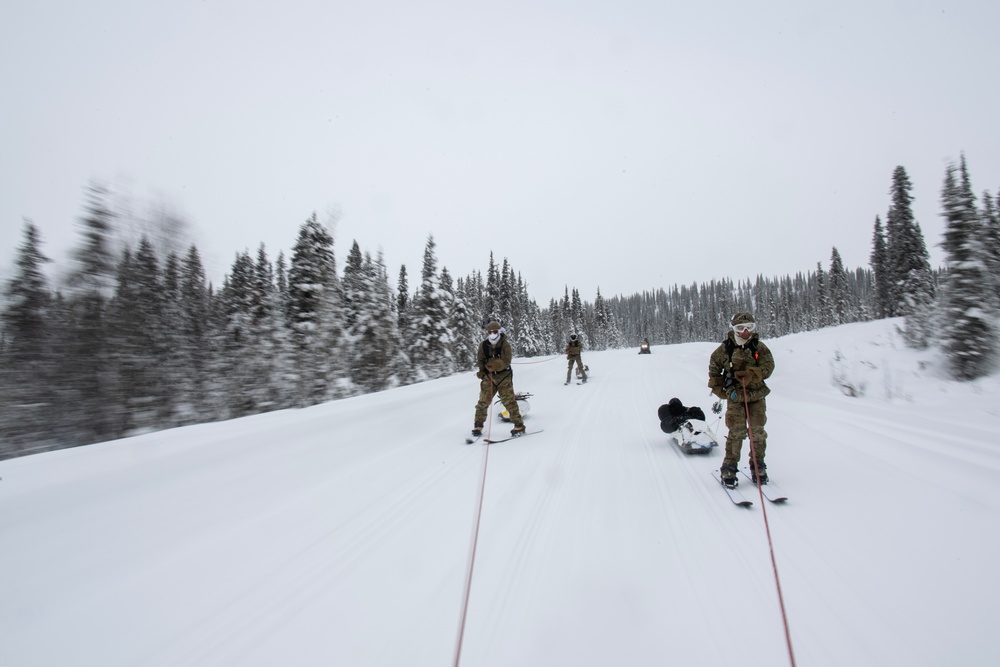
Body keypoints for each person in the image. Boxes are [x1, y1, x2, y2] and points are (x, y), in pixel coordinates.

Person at [707, 312, 775, 487]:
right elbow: (714, 372)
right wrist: (724, 392)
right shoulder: (725, 349)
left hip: (757, 396)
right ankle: (729, 467)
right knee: (736, 432)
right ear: (734, 329)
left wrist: (753, 375)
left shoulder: (759, 347)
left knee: (757, 431)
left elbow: (769, 366)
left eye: (749, 328)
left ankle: (758, 465)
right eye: (740, 328)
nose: (745, 332)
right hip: (735, 397)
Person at [472, 322, 525, 437]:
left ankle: (519, 425)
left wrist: (495, 365)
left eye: (495, 332)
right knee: (482, 402)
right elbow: (480, 359)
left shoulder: (505, 344)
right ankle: (478, 425)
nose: (492, 334)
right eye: (489, 332)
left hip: (504, 377)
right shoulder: (483, 345)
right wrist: (482, 371)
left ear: (499, 331)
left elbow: (507, 360)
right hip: (489, 378)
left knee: (509, 402)